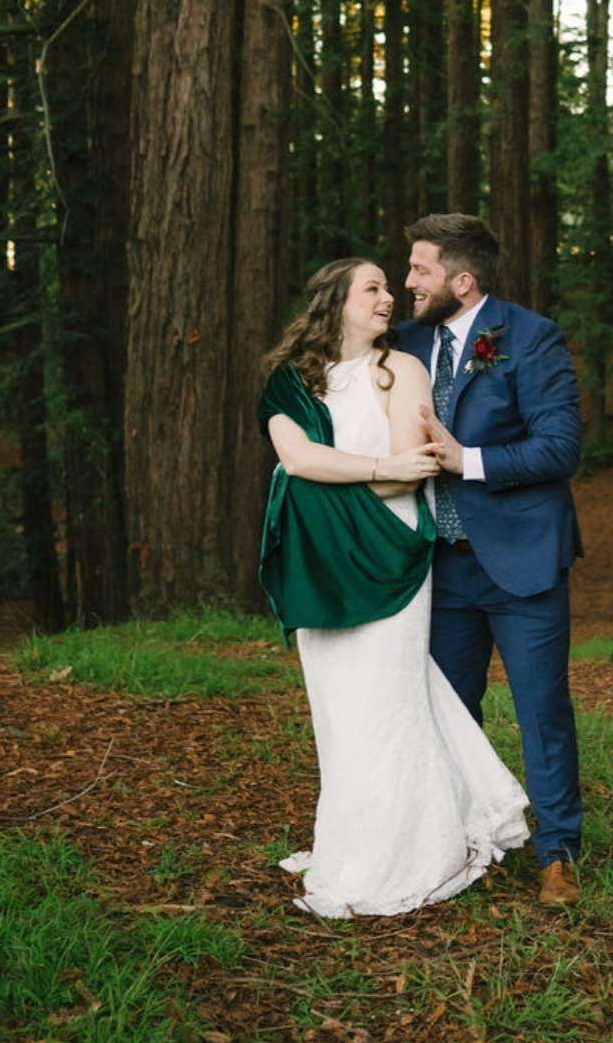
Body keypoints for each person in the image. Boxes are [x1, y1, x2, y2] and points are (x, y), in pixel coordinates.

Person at [257, 257, 531, 918]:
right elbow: (295, 459)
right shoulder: (290, 379)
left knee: (387, 702)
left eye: (389, 287)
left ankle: (411, 853)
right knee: (338, 707)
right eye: (372, 288)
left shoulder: (399, 369)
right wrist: (363, 467)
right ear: (336, 300)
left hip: (390, 551)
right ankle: (349, 844)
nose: (388, 299)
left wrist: (337, 476)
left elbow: (405, 477)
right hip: (321, 557)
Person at [396, 214, 585, 906]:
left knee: (540, 712)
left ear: (461, 280)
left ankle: (556, 854)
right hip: (438, 567)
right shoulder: (407, 343)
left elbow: (559, 448)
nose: (407, 283)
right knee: (447, 713)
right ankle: (460, 843)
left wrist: (463, 459)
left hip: (521, 560)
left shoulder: (530, 338)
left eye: (419, 270)